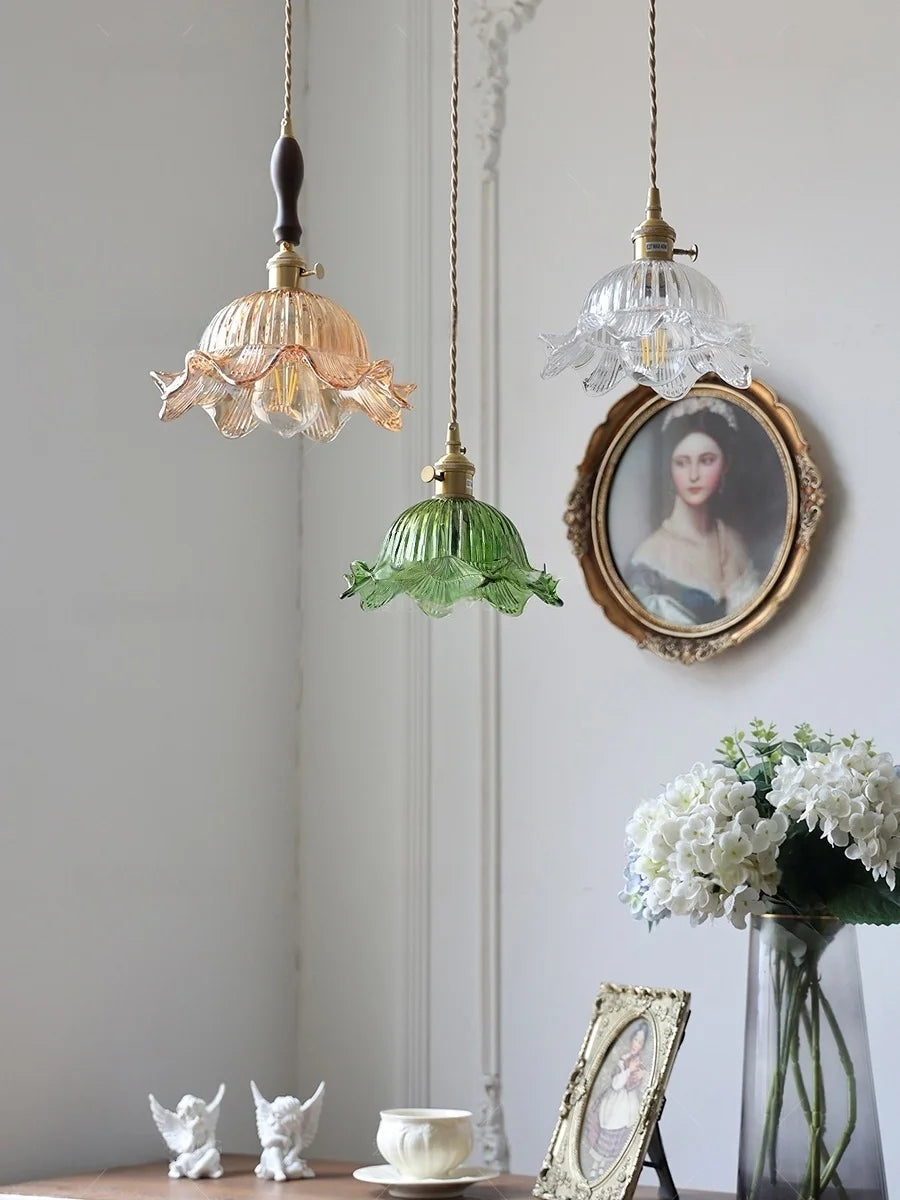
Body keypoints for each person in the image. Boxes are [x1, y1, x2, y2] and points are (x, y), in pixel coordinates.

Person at [624, 397, 759, 626]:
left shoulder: (733, 541)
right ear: (670, 467)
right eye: (682, 463)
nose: (693, 475)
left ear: (725, 465)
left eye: (706, 461)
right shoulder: (648, 560)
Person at [581, 1021, 650, 1179]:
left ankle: (603, 1168)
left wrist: (641, 1075)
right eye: (635, 1039)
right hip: (613, 1102)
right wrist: (628, 1071)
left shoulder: (640, 1064)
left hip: (626, 1105)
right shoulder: (622, 1059)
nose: (636, 1044)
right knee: (606, 1128)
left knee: (615, 1135)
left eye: (640, 1042)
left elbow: (643, 1084)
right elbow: (616, 1084)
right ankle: (596, 1165)